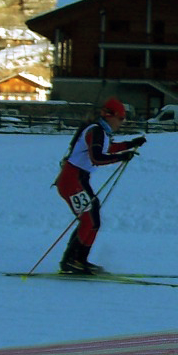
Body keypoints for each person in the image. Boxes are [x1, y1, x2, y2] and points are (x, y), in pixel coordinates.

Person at [54, 97, 146, 274]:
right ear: (110, 116)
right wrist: (121, 157)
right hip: (71, 180)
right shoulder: (96, 131)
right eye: (121, 118)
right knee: (89, 219)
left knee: (93, 218)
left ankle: (78, 260)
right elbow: (96, 158)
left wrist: (130, 144)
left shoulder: (100, 131)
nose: (122, 122)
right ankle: (72, 261)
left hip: (78, 179)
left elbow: (106, 149)